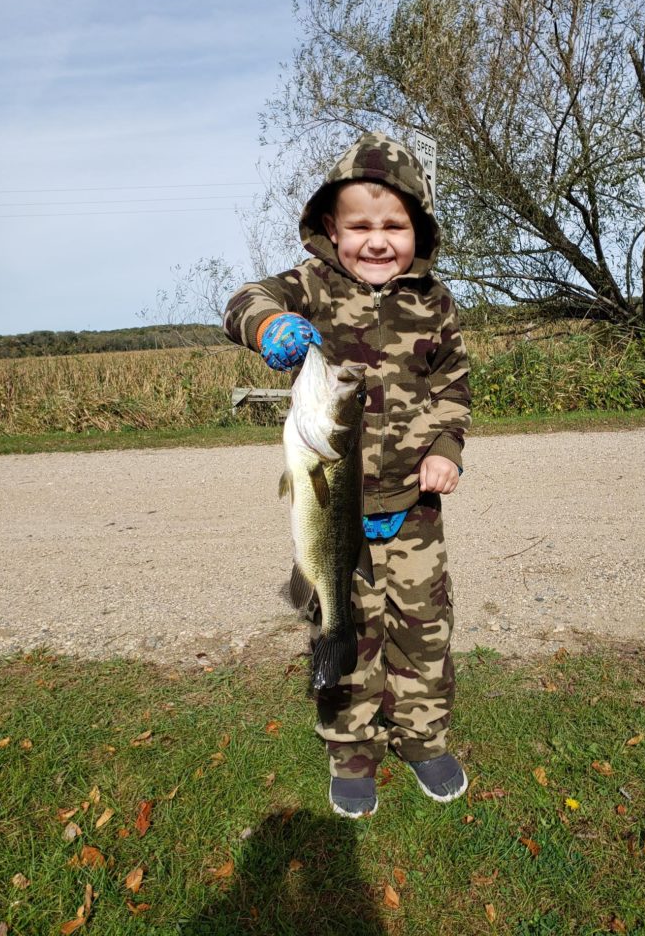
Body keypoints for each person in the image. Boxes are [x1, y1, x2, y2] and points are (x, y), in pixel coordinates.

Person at [223, 131, 471, 818]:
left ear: (417, 227)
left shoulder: (435, 303)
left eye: (393, 224)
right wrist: (270, 324)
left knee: (423, 632)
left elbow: (454, 384)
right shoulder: (310, 289)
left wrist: (446, 448)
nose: (376, 240)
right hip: (337, 511)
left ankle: (423, 739)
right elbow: (242, 300)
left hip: (414, 509)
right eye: (359, 225)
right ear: (331, 228)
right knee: (344, 630)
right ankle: (351, 748)